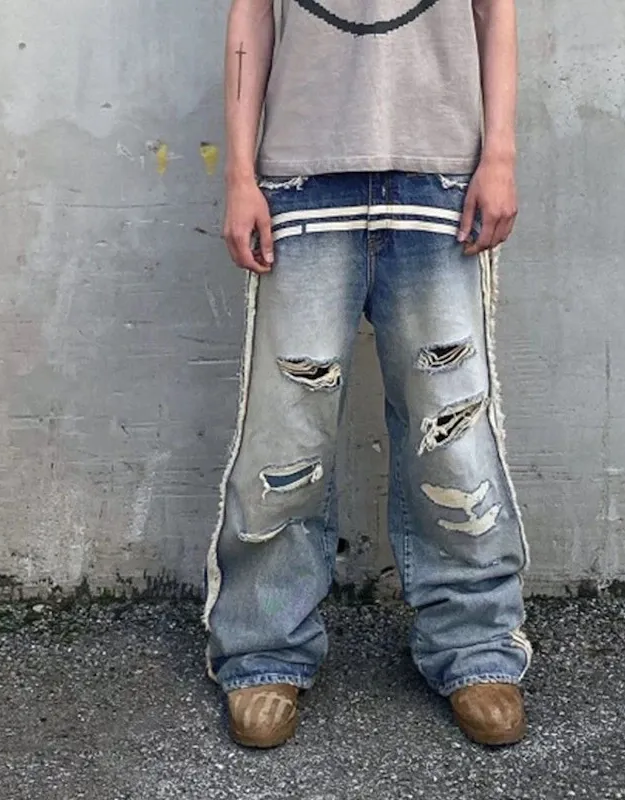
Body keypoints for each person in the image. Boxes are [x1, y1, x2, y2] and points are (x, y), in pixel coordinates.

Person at [203, 0, 532, 749]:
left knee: (452, 431)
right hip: (300, 178)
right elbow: (251, 13)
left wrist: (501, 156)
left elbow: (495, 11)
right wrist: (241, 175)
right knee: (286, 437)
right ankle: (263, 649)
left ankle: (476, 646)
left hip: (441, 178)